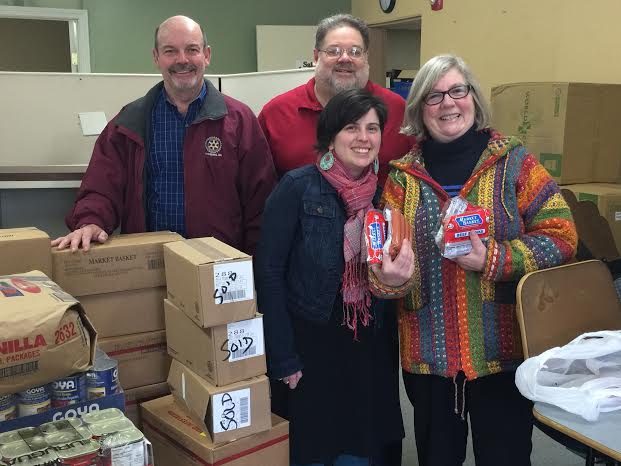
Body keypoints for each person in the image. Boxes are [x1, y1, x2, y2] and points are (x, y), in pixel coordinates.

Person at [370, 55, 578, 466]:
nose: (448, 103)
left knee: (506, 457)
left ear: (473, 98)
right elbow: (382, 265)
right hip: (429, 358)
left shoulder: (514, 163)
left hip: (504, 353)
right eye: (433, 96)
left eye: (457, 91)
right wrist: (390, 280)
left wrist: (495, 258)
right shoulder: (401, 178)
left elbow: (562, 234)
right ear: (420, 110)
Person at [255, 89, 414, 466]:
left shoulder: (385, 196)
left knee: (361, 447)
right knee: (314, 447)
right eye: (351, 127)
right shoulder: (297, 188)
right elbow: (269, 273)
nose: (364, 138)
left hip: (368, 346)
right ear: (330, 137)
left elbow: (393, 274)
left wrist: (396, 280)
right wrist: (282, 356)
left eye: (372, 128)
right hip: (311, 345)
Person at [52, 15, 276, 255]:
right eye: (170, 51)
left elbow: (261, 204)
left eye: (192, 50)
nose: (182, 60)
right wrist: (91, 221)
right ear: (156, 57)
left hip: (218, 264)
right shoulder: (129, 122)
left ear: (207, 55)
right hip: (149, 263)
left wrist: (256, 266)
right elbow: (101, 187)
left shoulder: (239, 121)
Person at [258, 13, 414, 185]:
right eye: (334, 51)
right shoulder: (276, 114)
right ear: (316, 57)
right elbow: (259, 187)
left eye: (355, 52)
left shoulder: (398, 110)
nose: (345, 58)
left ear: (366, 57)